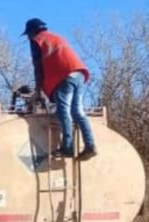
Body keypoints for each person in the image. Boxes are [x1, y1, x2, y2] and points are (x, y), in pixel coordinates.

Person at [23, 18, 97, 160]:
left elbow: (38, 67)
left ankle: (67, 148)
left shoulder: (37, 41)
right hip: (79, 74)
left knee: (64, 111)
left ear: (32, 32)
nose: (28, 37)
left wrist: (38, 89)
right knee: (78, 111)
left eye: (28, 34)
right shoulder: (57, 37)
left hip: (63, 77)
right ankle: (90, 145)